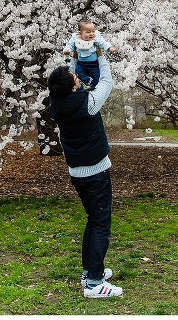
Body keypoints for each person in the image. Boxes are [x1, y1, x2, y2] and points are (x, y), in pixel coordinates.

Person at [47, 47, 122, 298]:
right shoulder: (88, 104)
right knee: (101, 225)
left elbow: (68, 77)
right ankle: (93, 283)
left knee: (93, 220)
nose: (77, 77)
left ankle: (90, 270)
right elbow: (107, 82)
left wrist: (76, 56)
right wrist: (100, 55)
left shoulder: (56, 104)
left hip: (76, 171)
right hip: (96, 171)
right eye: (75, 79)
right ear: (71, 88)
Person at [62, 19, 116, 90]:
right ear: (80, 33)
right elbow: (70, 44)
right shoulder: (76, 37)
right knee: (77, 71)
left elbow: (102, 43)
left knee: (97, 76)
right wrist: (67, 50)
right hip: (81, 64)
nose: (91, 34)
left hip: (94, 64)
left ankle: (94, 87)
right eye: (88, 32)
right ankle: (88, 81)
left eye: (93, 31)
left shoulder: (96, 38)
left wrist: (109, 47)